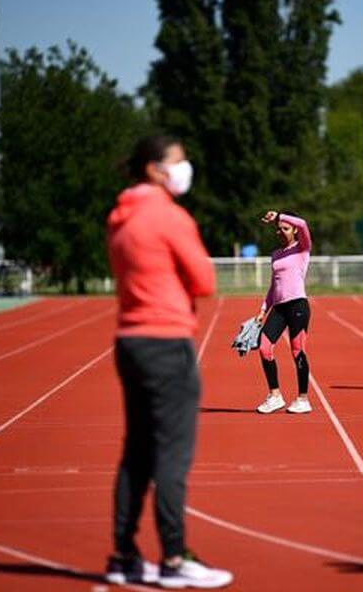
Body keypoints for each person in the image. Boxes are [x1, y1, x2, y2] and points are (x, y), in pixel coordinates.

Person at [105, 134, 233, 588]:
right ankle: (175, 558)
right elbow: (203, 281)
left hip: (129, 341)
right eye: (179, 161)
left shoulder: (119, 218)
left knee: (136, 452)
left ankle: (123, 554)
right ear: (156, 170)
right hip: (167, 341)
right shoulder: (168, 217)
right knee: (172, 457)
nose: (186, 168)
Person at [254, 210, 314, 414]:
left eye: (285, 228)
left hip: (297, 305)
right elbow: (273, 286)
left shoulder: (302, 247)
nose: (281, 232)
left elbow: (304, 223)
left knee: (297, 350)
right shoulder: (276, 254)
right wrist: (263, 309)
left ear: (294, 230)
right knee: (264, 347)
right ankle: (275, 395)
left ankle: (303, 398)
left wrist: (279, 215)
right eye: (278, 229)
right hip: (278, 307)